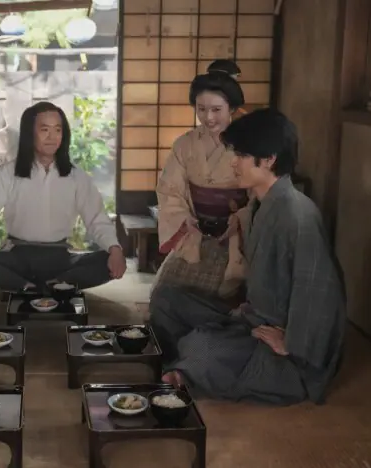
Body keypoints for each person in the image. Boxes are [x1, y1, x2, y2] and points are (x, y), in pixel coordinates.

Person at [149, 108, 346, 406]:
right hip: (250, 320)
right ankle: (194, 361)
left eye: (241, 155)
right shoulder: (257, 206)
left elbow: (322, 292)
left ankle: (191, 365)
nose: (233, 162)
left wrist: (291, 341)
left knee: (202, 345)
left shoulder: (298, 215)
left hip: (283, 348)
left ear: (268, 159)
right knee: (167, 299)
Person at [0, 101, 126, 293]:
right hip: (17, 256)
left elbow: (97, 220)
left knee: (109, 259)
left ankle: (36, 284)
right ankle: (44, 286)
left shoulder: (76, 177)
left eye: (57, 130)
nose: (52, 137)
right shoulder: (7, 173)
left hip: (60, 258)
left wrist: (115, 249)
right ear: (30, 133)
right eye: (45, 129)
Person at [155, 72, 250, 300]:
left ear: (232, 108)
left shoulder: (247, 144)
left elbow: (259, 192)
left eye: (216, 110)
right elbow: (169, 190)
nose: (208, 117)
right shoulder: (184, 144)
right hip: (194, 231)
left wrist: (241, 219)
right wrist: (183, 219)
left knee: (229, 291)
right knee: (165, 291)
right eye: (201, 109)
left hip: (237, 234)